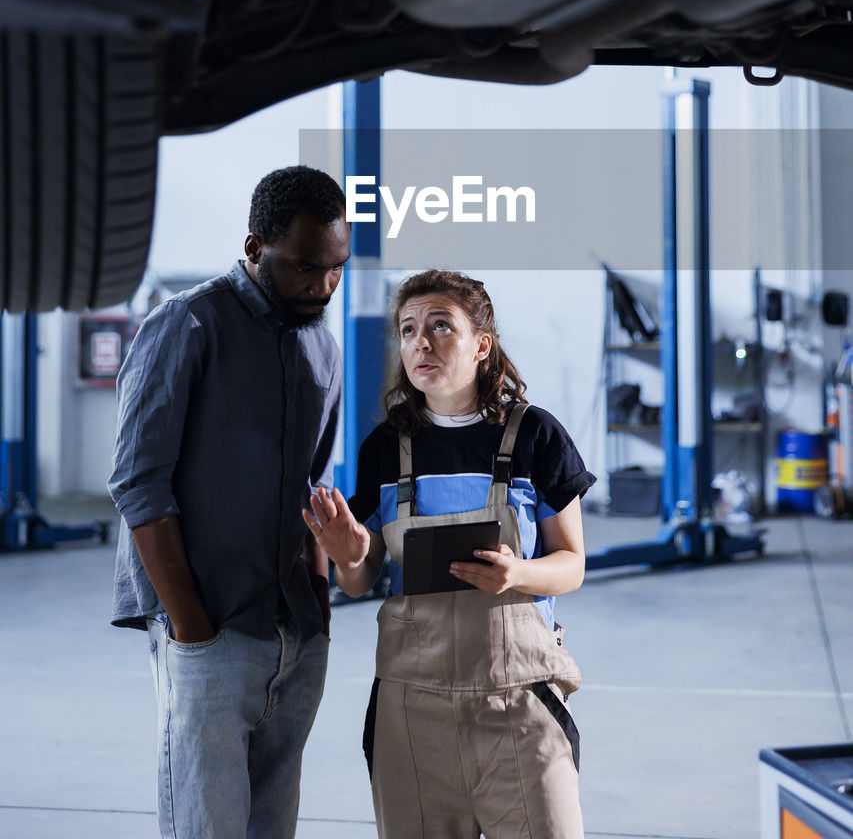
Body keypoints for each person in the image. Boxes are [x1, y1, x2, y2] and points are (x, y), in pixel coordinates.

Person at [304, 268, 595, 839]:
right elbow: (362, 581)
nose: (421, 342)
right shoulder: (386, 449)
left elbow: (572, 564)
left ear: (482, 345)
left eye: (442, 326)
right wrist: (346, 555)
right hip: (413, 715)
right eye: (409, 330)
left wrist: (518, 574)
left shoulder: (537, 437)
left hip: (518, 702)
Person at [109, 165, 350, 839]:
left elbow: (313, 485)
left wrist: (318, 610)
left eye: (336, 268)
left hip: (295, 634)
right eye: (306, 266)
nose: (322, 284)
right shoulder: (186, 325)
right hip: (209, 630)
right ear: (253, 248)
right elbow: (137, 480)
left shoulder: (322, 348)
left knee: (273, 827)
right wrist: (188, 624)